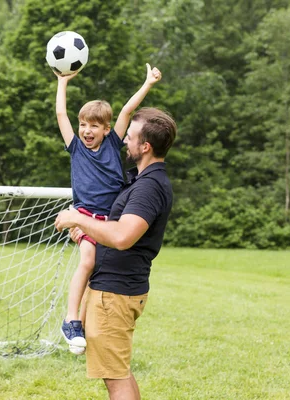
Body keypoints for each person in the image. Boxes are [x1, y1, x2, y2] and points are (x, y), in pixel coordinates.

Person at [55, 107, 177, 399]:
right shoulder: (140, 180)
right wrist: (87, 232)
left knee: (115, 376)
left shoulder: (148, 188)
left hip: (115, 294)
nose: (125, 141)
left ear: (145, 146)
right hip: (114, 290)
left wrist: (78, 218)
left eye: (130, 137)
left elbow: (122, 236)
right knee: (118, 371)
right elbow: (113, 228)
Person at [54, 64, 162, 354]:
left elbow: (127, 110)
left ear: (106, 129)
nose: (87, 131)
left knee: (100, 273)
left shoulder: (114, 145)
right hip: (87, 216)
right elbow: (61, 114)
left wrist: (147, 83)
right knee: (88, 261)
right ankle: (70, 320)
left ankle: (87, 328)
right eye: (84, 125)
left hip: (113, 217)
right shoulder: (76, 148)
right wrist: (62, 82)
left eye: (94, 126)